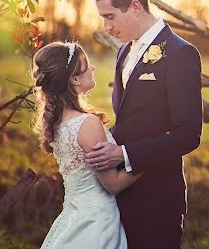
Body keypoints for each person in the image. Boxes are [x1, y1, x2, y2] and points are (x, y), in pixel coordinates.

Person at [85, 0, 203, 248]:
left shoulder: (180, 53)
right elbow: (129, 119)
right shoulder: (124, 52)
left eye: (110, 16)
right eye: (103, 18)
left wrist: (124, 154)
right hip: (120, 195)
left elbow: (188, 135)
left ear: (135, 7)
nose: (106, 26)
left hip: (158, 199)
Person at [33, 41, 141, 249]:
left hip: (73, 216)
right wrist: (151, 157)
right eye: (87, 65)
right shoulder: (87, 124)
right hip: (97, 223)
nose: (93, 68)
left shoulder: (58, 122)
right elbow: (113, 184)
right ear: (74, 79)